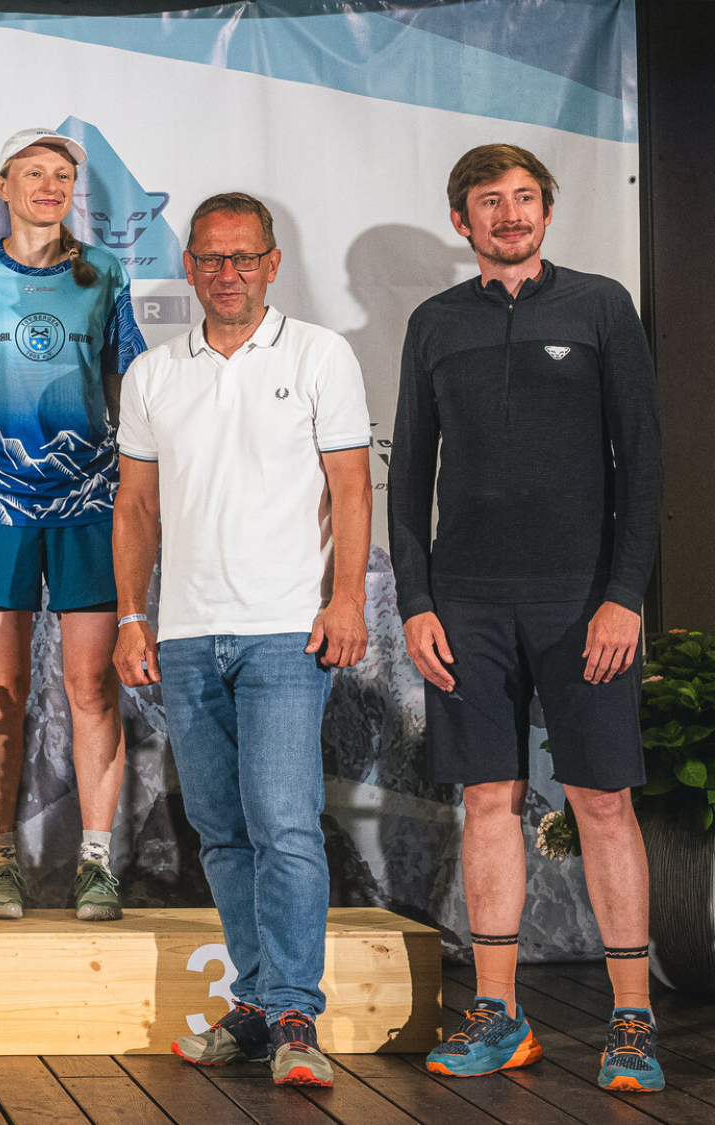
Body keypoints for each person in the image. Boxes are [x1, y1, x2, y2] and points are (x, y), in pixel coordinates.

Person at [391, 144, 664, 1092]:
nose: (508, 214)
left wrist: (625, 594)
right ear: (460, 220)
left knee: (602, 803)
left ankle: (631, 1022)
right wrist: (417, 601)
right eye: (487, 201)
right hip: (467, 603)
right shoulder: (433, 324)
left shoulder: (600, 306)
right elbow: (407, 476)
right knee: (488, 802)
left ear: (546, 211)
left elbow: (647, 461)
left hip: (583, 599)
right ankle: (499, 1014)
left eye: (523, 198)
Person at [113, 193, 370, 1088]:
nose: (227, 274)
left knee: (285, 825)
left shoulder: (318, 355)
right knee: (220, 830)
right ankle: (257, 1003)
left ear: (271, 264)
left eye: (243, 258)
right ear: (187, 268)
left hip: (286, 633)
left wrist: (347, 600)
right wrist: (132, 616)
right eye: (210, 260)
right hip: (184, 634)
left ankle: (297, 1012)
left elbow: (351, 488)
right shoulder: (152, 374)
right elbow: (136, 506)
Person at [0, 129, 146, 920]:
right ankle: (1, 859)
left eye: (62, 174)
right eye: (33, 172)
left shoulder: (104, 272)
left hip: (88, 504)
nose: (48, 185)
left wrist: (138, 492)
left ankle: (96, 863)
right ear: (3, 183)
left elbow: (126, 389)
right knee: (0, 690)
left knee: (90, 687)